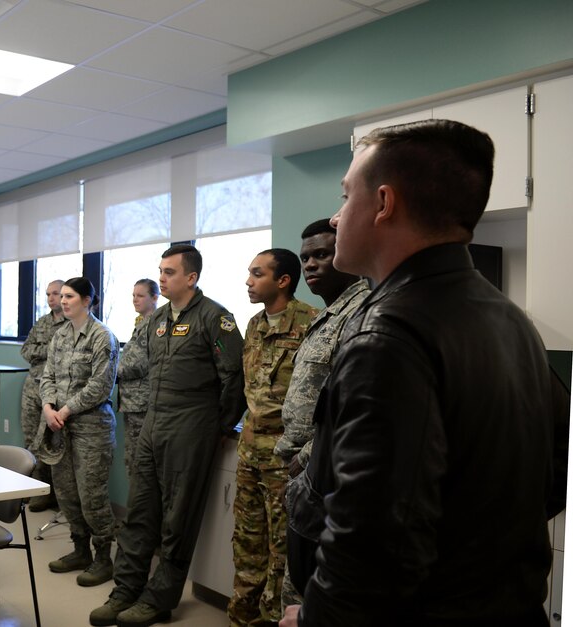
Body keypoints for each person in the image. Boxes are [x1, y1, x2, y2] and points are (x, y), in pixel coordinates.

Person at [280, 120, 564, 627]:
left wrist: (315, 619)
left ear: (384, 203)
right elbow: (551, 487)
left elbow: (372, 539)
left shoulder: (388, 335)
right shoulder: (511, 320)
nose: (336, 216)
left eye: (345, 196)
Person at [91, 244, 245, 627]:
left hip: (192, 427)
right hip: (153, 423)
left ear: (191, 277)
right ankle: (125, 590)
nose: (161, 277)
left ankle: (159, 599)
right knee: (139, 512)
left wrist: (220, 427)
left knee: (177, 519)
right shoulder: (157, 318)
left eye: (169, 272)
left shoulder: (215, 317)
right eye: (160, 270)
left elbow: (235, 377)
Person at [275, 219, 369, 610]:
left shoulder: (360, 314)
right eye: (305, 258)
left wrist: (306, 457)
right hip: (305, 477)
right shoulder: (329, 314)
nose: (310, 265)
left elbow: (354, 407)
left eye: (321, 254)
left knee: (310, 594)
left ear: (346, 255)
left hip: (324, 476)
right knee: (296, 585)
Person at [229, 249, 316, 626]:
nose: (248, 281)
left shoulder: (311, 322)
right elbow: (249, 387)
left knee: (282, 552)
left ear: (282, 281)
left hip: (286, 459)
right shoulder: (254, 324)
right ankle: (241, 618)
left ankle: (271, 620)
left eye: (257, 274)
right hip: (250, 452)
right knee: (247, 544)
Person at [40, 277, 119, 587]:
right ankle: (80, 551)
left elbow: (101, 385)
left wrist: (65, 410)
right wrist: (48, 407)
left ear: (87, 301)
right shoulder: (59, 335)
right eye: (62, 296)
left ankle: (103, 559)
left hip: (91, 429)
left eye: (70, 296)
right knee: (66, 494)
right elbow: (47, 376)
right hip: (60, 428)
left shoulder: (103, 337)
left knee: (91, 496)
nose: (63, 301)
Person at [20, 279, 66, 511]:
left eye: (55, 293)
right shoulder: (42, 322)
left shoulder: (71, 324)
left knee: (45, 441)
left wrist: (44, 352)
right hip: (32, 388)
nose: (51, 298)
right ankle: (33, 487)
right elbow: (25, 350)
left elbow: (65, 356)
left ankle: (47, 492)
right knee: (30, 438)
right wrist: (48, 350)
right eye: (48, 294)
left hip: (55, 391)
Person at [116, 278, 158, 477]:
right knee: (133, 460)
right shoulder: (142, 323)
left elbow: (137, 364)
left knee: (138, 461)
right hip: (133, 402)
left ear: (154, 298)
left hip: (141, 404)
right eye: (133, 295)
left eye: (140, 295)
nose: (135, 299)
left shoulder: (153, 324)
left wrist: (107, 371)